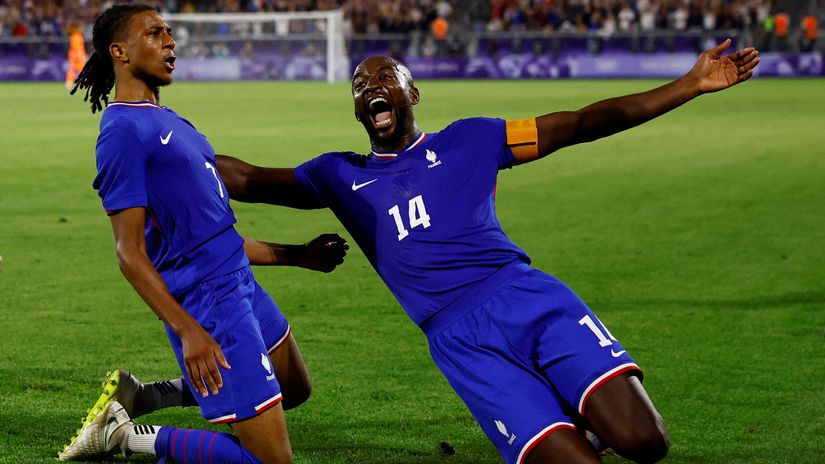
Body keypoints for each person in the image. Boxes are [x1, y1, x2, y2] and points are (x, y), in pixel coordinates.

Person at [215, 44, 759, 464]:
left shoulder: (472, 140)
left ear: (413, 92)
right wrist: (165, 141)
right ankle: (575, 418)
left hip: (527, 299)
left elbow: (581, 124)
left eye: (385, 77)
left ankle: (584, 414)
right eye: (360, 84)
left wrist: (689, 84)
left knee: (647, 443)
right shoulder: (338, 175)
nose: (370, 87)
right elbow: (245, 177)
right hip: (459, 342)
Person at [58, 4, 347, 464]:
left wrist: (298, 255)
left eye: (169, 32)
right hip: (210, 302)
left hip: (240, 283)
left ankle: (147, 398)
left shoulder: (170, 120)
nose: (170, 41)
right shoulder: (122, 132)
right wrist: (189, 330)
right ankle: (124, 436)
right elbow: (129, 253)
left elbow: (213, 237)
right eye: (154, 34)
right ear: (120, 51)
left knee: (294, 387)